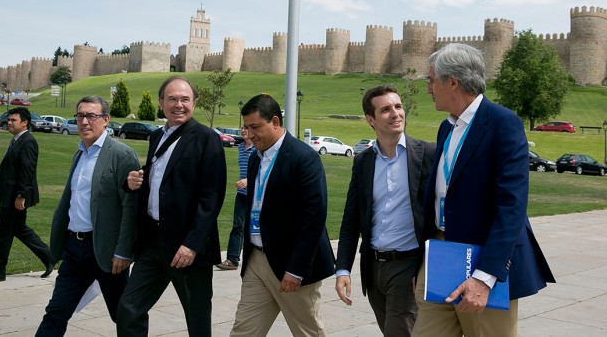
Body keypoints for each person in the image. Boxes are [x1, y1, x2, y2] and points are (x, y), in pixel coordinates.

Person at [412, 43, 555, 337]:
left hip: (481, 261)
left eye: (430, 80)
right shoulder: (446, 128)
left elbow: (511, 207)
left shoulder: (503, 123)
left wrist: (484, 277)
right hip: (441, 254)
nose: (428, 88)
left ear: (451, 81)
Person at [117, 76, 227, 336]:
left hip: (186, 248)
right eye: (173, 99)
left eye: (185, 99)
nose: (179, 105)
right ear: (161, 102)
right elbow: (162, 180)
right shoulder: (157, 136)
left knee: (197, 318)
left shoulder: (207, 139)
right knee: (129, 308)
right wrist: (132, 182)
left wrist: (192, 244)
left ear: (195, 102)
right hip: (153, 244)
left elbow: (211, 199)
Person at [230, 94, 335, 337]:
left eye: (255, 127)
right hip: (257, 259)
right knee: (243, 331)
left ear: (275, 122)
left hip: (291, 263)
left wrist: (296, 269)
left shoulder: (304, 158)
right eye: (246, 127)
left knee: (308, 332)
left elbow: (314, 219)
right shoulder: (257, 157)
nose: (250, 134)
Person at [335, 85, 435, 337]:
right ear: (370, 120)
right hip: (373, 268)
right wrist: (343, 269)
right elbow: (351, 219)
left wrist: (426, 268)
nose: (396, 114)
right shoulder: (363, 161)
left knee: (398, 331)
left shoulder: (427, 154)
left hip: (409, 266)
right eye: (386, 110)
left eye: (398, 107)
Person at [35, 96, 140, 336]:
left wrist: (123, 251)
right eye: (80, 115)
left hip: (106, 251)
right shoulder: (80, 153)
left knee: (124, 317)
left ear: (106, 119)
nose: (84, 121)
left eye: (91, 116)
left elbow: (130, 207)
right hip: (75, 249)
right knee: (56, 312)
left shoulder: (122, 155)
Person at [0, 107, 53, 285]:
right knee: (19, 229)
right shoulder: (18, 140)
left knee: (3, 233)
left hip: (14, 198)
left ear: (24, 122)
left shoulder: (28, 141)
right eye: (9, 120)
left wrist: (21, 196)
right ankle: (50, 256)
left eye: (13, 120)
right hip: (9, 196)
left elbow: (27, 171)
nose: (9, 123)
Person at [217, 126, 255, 270]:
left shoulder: (258, 149)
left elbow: (264, 171)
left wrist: (248, 181)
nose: (243, 131)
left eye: (246, 128)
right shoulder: (240, 147)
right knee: (237, 226)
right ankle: (232, 260)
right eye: (242, 128)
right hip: (242, 195)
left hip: (255, 196)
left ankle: (260, 260)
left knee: (256, 228)